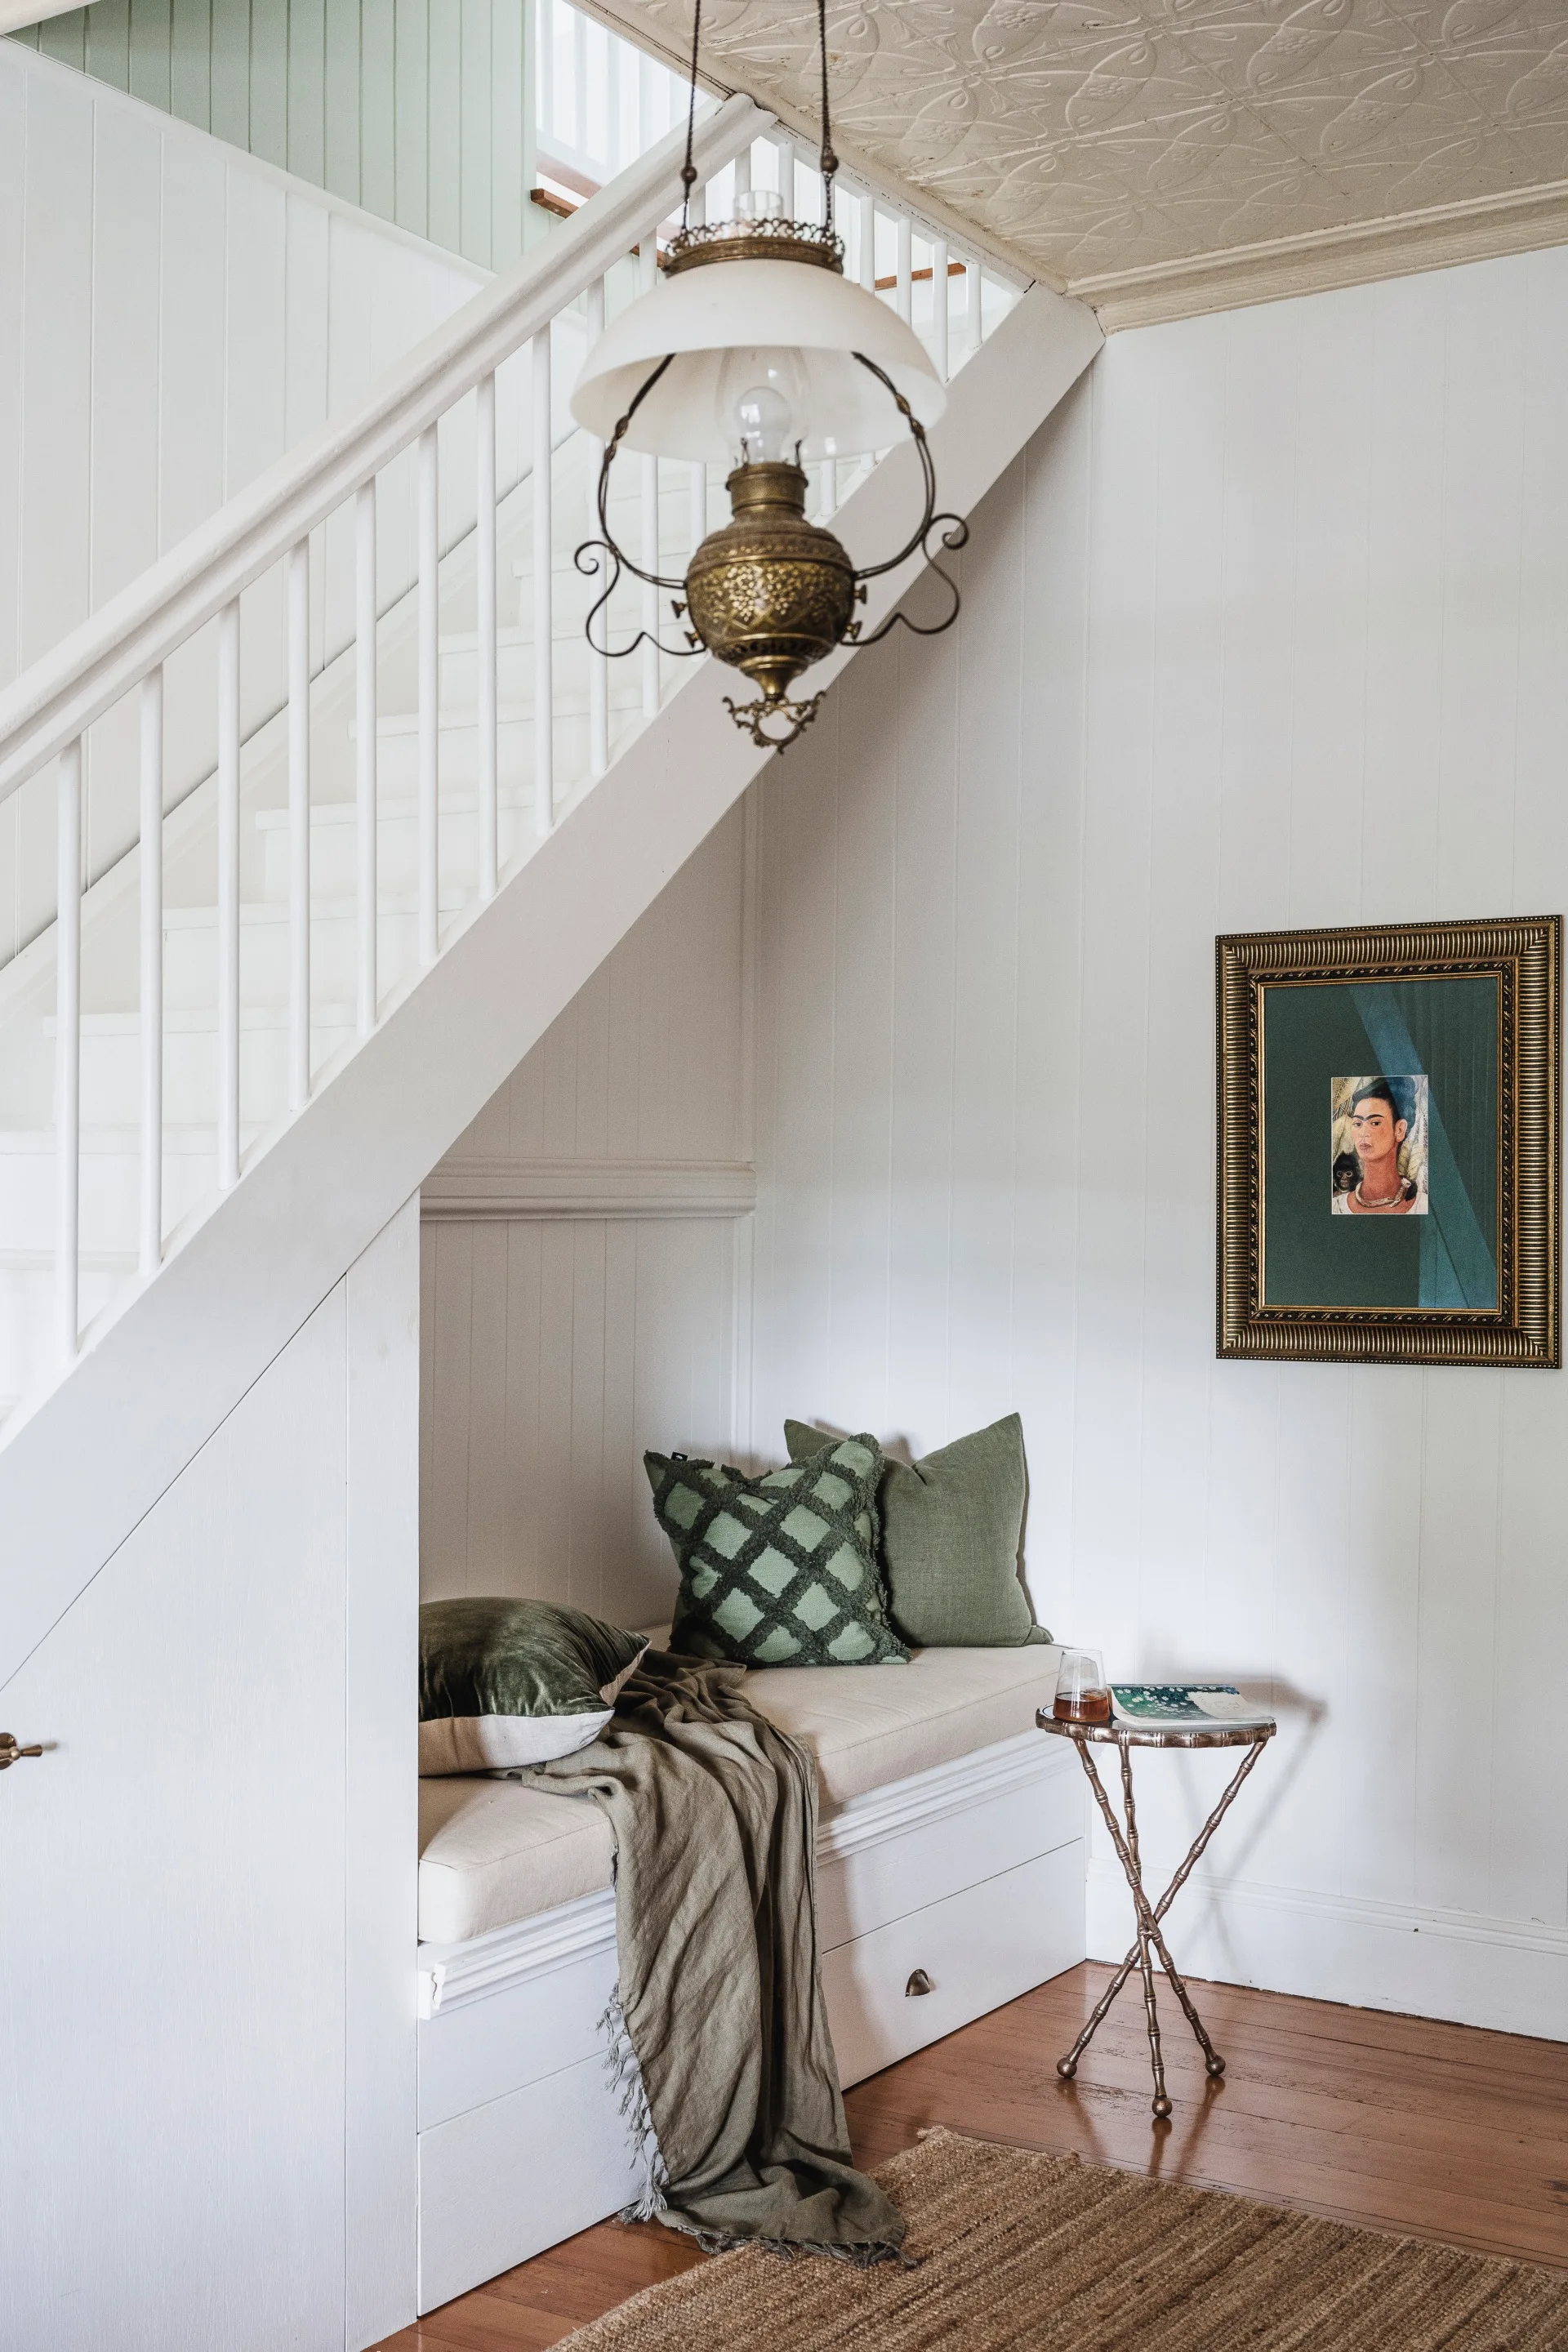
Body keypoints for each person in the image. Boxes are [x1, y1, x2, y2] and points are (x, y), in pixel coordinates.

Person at [1332, 1078, 1424, 1215]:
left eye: (1375, 1123)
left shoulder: (1422, 1205)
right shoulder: (1336, 1207)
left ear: (1399, 1130)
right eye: (1357, 1123)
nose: (1363, 1133)